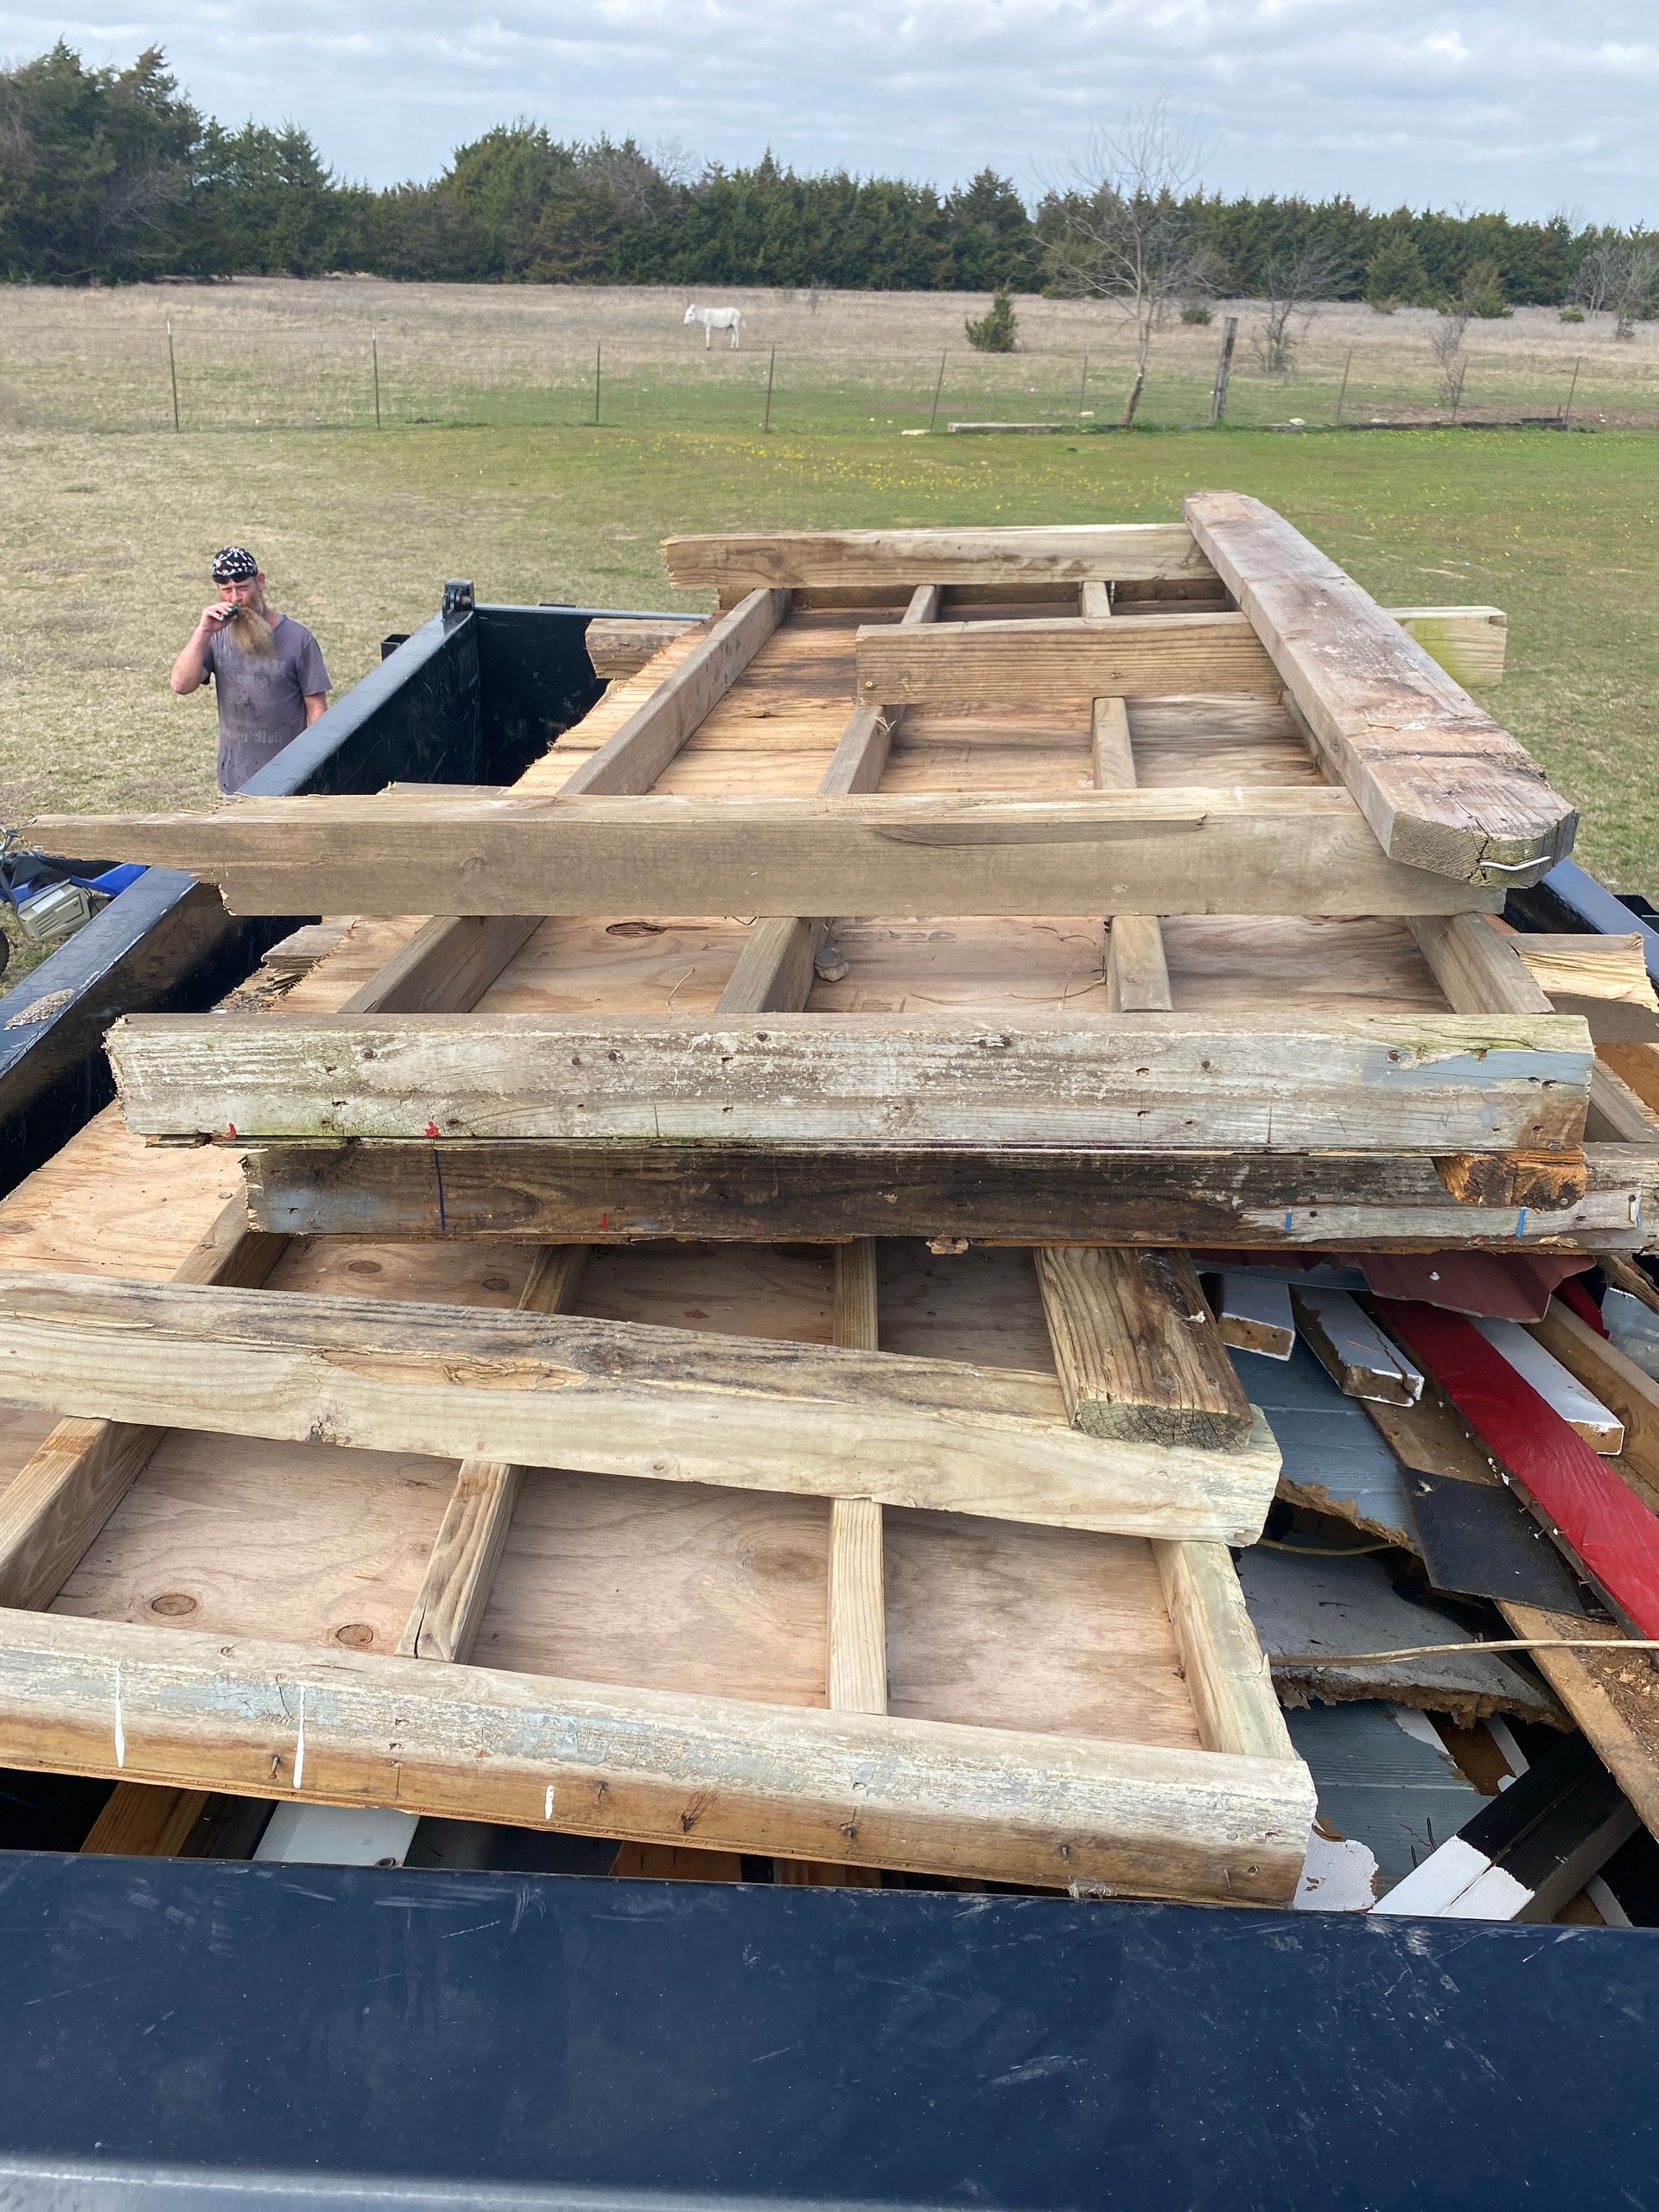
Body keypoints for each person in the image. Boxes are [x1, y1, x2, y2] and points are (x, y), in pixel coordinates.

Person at [169, 546, 331, 794]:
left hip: (287, 781)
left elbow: (317, 709)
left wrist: (312, 766)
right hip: (234, 781)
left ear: (261, 582)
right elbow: (181, 685)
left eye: (243, 587)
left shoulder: (298, 639)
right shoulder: (216, 635)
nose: (236, 598)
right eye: (227, 591)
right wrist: (202, 632)